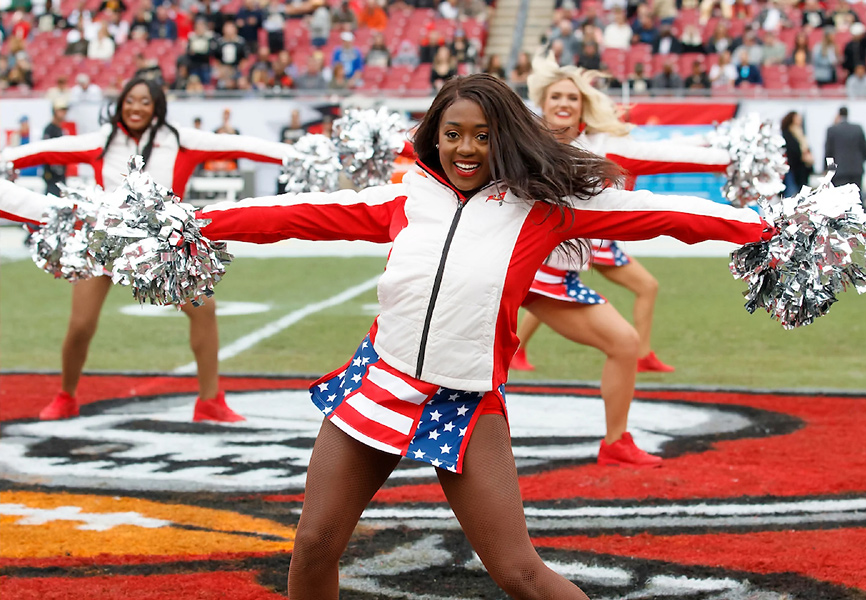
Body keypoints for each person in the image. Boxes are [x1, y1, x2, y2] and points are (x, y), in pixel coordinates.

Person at [173, 73, 769, 599]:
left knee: (519, 573)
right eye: (454, 132)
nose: (466, 147)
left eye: (483, 135)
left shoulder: (545, 209)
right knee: (313, 546)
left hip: (465, 399)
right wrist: (187, 221)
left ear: (503, 138)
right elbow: (294, 215)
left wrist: (764, 228)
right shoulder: (404, 199)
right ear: (434, 135)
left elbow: (667, 215)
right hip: (379, 384)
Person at [0, 78, 296, 423]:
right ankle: (65, 396)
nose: (136, 108)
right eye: (129, 100)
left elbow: (240, 145)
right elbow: (48, 150)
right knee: (80, 324)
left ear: (156, 105)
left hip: (162, 252)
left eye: (144, 101)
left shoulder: (182, 140)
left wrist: (292, 155)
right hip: (103, 246)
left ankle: (210, 401)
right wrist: (7, 159)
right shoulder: (102, 141)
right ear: (120, 104)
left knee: (204, 312)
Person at [513, 55, 736, 466]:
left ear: (583, 107)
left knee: (625, 343)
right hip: (510, 268)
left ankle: (616, 442)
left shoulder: (604, 147)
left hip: (549, 274)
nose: (564, 103)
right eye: (556, 96)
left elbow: (670, 155)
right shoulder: (520, 141)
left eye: (573, 98)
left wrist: (731, 158)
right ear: (542, 102)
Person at [824, 106, 866, 192]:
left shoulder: (832, 130)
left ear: (838, 114)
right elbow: (865, 148)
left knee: (841, 199)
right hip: (856, 170)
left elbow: (829, 152)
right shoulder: (858, 129)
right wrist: (860, 161)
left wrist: (829, 170)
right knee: (856, 197)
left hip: (839, 171)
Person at [780, 111, 814, 198]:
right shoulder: (787, 134)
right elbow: (792, 150)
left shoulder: (800, 133)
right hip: (791, 169)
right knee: (791, 194)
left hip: (801, 171)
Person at [41, 99, 70, 196]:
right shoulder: (49, 129)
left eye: (64, 110)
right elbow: (47, 152)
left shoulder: (61, 129)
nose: (64, 113)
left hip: (61, 174)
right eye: (61, 110)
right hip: (52, 175)